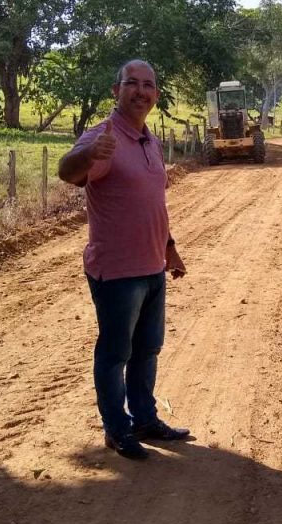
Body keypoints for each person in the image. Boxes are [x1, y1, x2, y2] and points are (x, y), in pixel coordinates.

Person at [58, 59, 190, 460]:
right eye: (131, 83)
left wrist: (169, 249)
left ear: (156, 95)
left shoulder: (150, 140)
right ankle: (117, 429)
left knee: (148, 349)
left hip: (152, 268)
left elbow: (154, 205)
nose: (140, 91)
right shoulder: (104, 138)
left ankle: (145, 419)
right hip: (117, 272)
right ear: (116, 91)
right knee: (115, 354)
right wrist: (85, 154)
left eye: (148, 85)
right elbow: (68, 171)